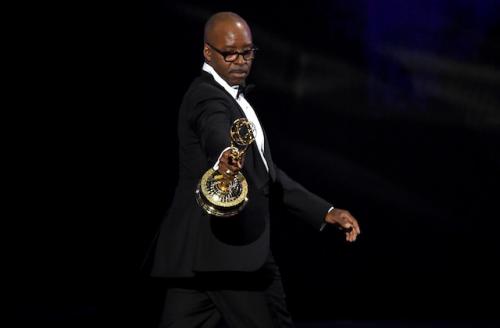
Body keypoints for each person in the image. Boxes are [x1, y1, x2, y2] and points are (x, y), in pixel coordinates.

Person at [150, 11, 361, 328]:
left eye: (247, 52)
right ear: (208, 52)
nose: (240, 61)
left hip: (206, 255)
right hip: (228, 253)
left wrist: (325, 211)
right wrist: (224, 158)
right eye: (230, 53)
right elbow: (215, 131)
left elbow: (266, 174)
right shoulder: (206, 97)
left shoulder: (234, 97)